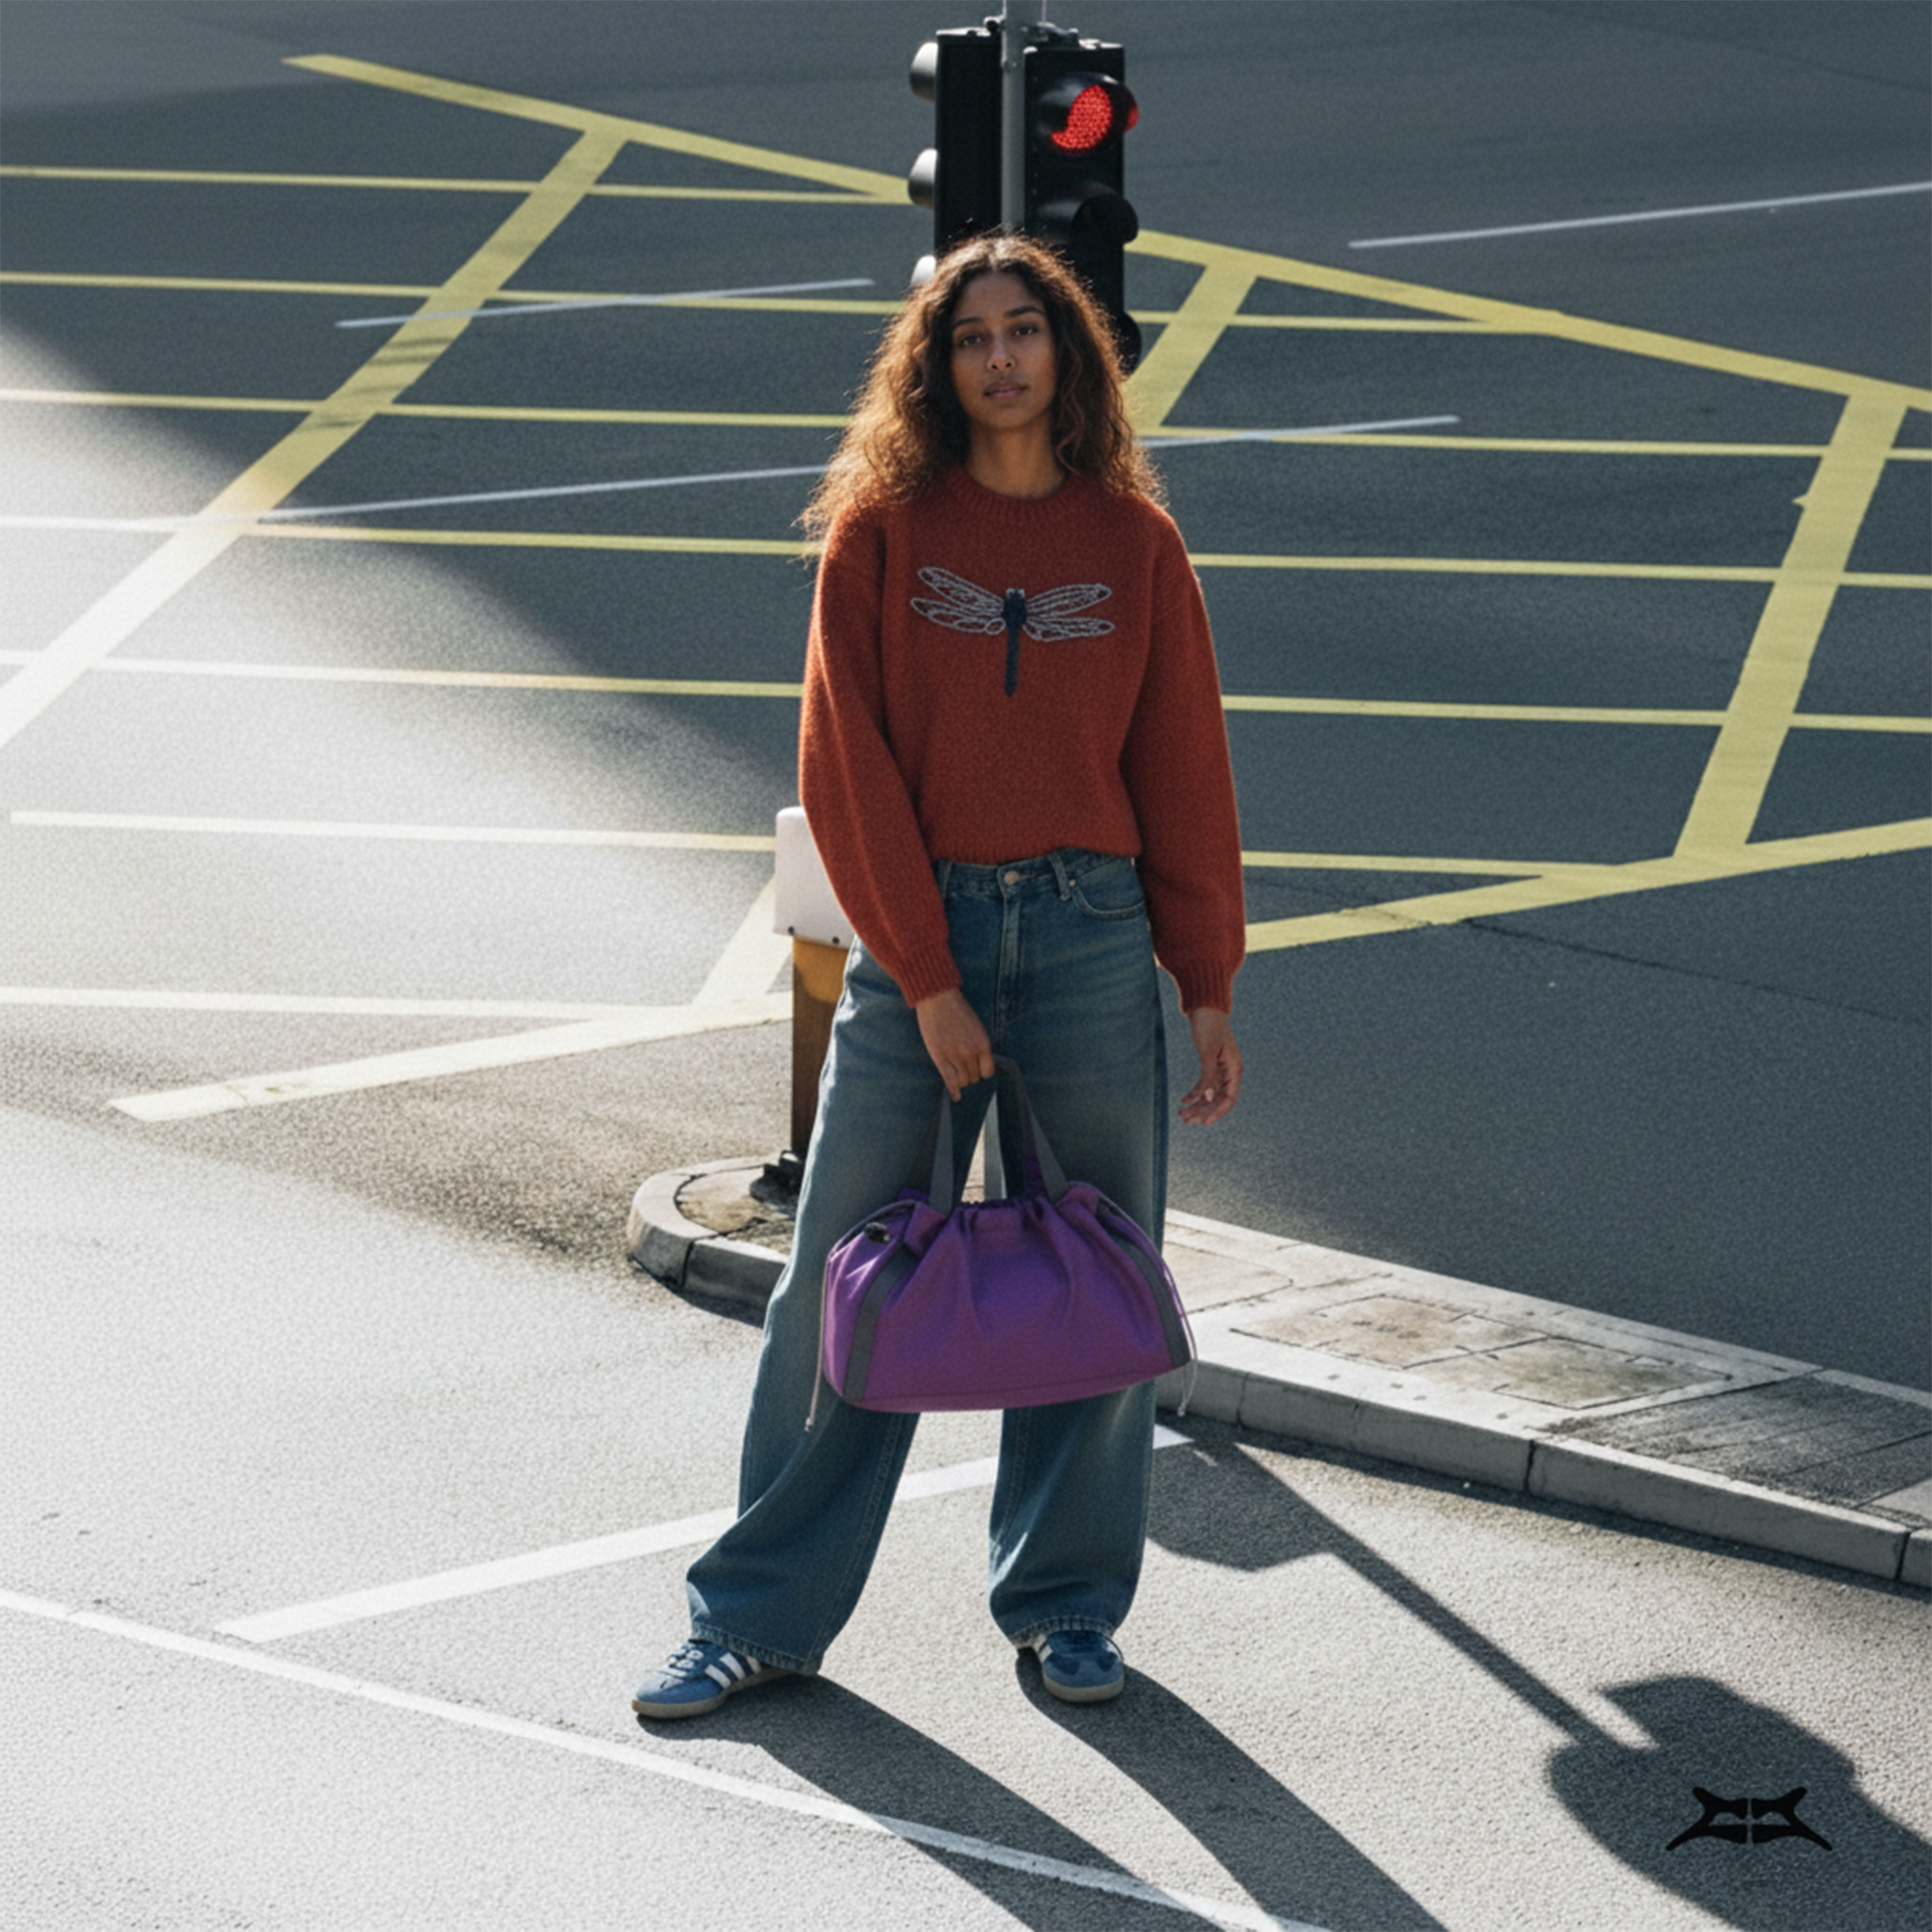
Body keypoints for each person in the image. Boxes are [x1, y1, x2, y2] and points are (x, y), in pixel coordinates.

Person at [632, 233, 1246, 1719]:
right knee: (840, 1288)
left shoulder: (1134, 545)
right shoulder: (886, 534)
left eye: (1025, 330)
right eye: (969, 337)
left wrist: (1204, 974)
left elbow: (1181, 765)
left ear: (1069, 353)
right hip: (932, 952)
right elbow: (846, 771)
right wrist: (926, 974)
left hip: (1095, 937)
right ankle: (757, 1615)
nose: (1000, 359)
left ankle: (1069, 1607)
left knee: (1097, 1275)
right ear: (935, 365)